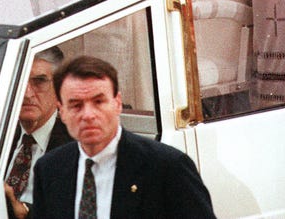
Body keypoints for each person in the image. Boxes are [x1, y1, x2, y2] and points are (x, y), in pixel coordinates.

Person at [33, 55, 218, 219]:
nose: (88, 115)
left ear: (118, 103)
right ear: (62, 110)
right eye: (76, 105)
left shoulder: (167, 167)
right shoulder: (50, 169)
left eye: (98, 102)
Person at [5, 47, 72, 219]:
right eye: (20, 81)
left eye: (39, 82)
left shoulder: (78, 144)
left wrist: (23, 212)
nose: (27, 94)